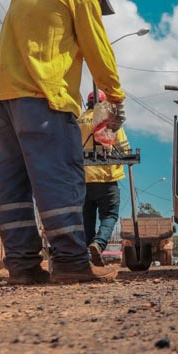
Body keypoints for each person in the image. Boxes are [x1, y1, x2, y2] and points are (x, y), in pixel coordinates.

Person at [0, 0, 126, 285]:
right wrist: (114, 96)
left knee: (14, 184)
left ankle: (21, 266)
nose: (98, 11)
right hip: (44, 98)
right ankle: (71, 262)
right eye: (100, 4)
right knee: (60, 179)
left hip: (2, 97)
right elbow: (99, 52)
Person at [78, 90, 130, 266]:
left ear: (88, 103)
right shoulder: (110, 122)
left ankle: (88, 258)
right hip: (107, 179)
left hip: (84, 180)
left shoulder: (78, 121)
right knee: (109, 215)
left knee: (87, 219)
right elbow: (125, 151)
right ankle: (98, 244)